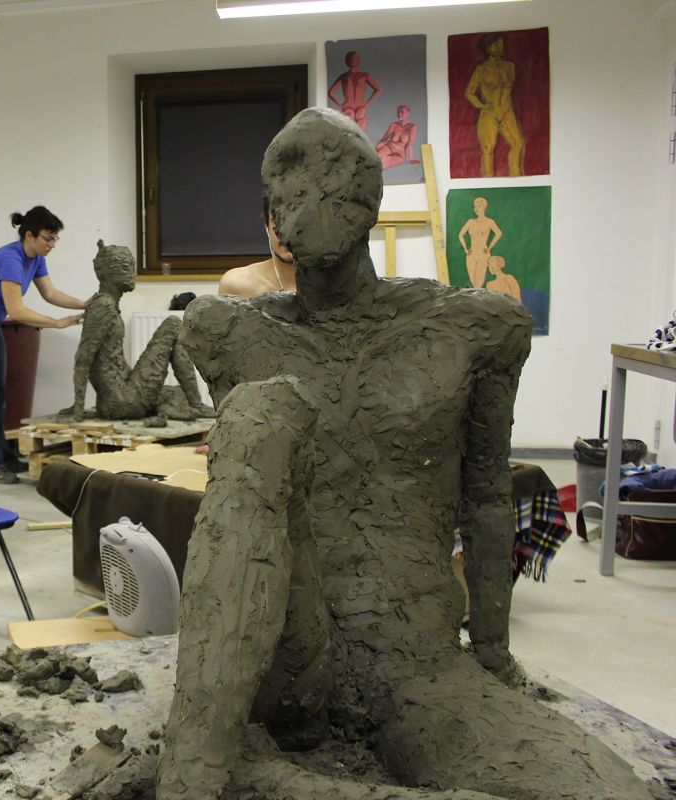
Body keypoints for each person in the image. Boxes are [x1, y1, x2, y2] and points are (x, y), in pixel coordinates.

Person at [154, 108, 648, 799]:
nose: (316, 197)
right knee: (263, 416)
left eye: (339, 178)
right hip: (289, 658)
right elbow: (246, 509)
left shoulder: (472, 328)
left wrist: (494, 656)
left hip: (416, 663)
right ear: (270, 214)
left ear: (372, 197)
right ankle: (198, 770)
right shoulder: (226, 333)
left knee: (607, 790)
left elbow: (484, 495)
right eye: (291, 184)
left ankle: (251, 778)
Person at [0, 206, 86, 484]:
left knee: (0, 393)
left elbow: (50, 293)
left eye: (55, 239)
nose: (52, 245)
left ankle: (1, 454)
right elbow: (17, 310)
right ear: (29, 235)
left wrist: (84, 304)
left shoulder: (36, 259)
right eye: (47, 238)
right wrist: (57, 323)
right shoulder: (11, 259)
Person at [58, 241, 214, 424]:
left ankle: (189, 406)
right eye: (125, 267)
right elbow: (83, 358)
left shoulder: (108, 305)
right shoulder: (103, 306)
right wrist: (78, 410)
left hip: (120, 396)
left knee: (175, 393)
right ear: (107, 272)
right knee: (173, 324)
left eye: (132, 267)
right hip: (123, 400)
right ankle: (197, 405)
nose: (132, 274)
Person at [464, 33, 525, 177]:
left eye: (501, 43)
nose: (500, 47)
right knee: (487, 149)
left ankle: (516, 178)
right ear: (488, 48)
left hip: (507, 111)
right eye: (496, 44)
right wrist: (482, 106)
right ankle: (488, 182)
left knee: (518, 143)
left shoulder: (510, 67)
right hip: (489, 113)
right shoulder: (481, 69)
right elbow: (469, 93)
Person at [218, 197, 296, 298]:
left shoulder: (323, 287)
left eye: (297, 220)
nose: (286, 232)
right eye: (277, 219)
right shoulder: (239, 285)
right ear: (267, 226)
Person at [327, 50, 382, 131]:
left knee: (355, 134)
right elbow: (378, 89)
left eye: (354, 58)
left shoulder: (350, 76)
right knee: (354, 134)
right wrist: (367, 102)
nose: (352, 60)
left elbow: (378, 89)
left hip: (352, 106)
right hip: (357, 106)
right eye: (351, 58)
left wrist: (341, 105)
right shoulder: (349, 76)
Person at [457, 195, 502, 289]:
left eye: (479, 206)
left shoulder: (490, 222)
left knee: (479, 283)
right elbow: (460, 235)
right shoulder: (470, 222)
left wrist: (489, 248)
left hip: (483, 254)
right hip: (471, 254)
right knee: (474, 283)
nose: (476, 209)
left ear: (484, 207)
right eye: (475, 206)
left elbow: (498, 233)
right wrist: (466, 249)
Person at [374, 104, 420, 170]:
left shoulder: (412, 127)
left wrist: (412, 159)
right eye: (398, 112)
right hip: (388, 147)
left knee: (382, 164)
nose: (399, 114)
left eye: (402, 112)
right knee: (372, 160)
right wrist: (376, 148)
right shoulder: (393, 125)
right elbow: (384, 139)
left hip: (399, 153)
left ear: (408, 114)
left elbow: (410, 144)